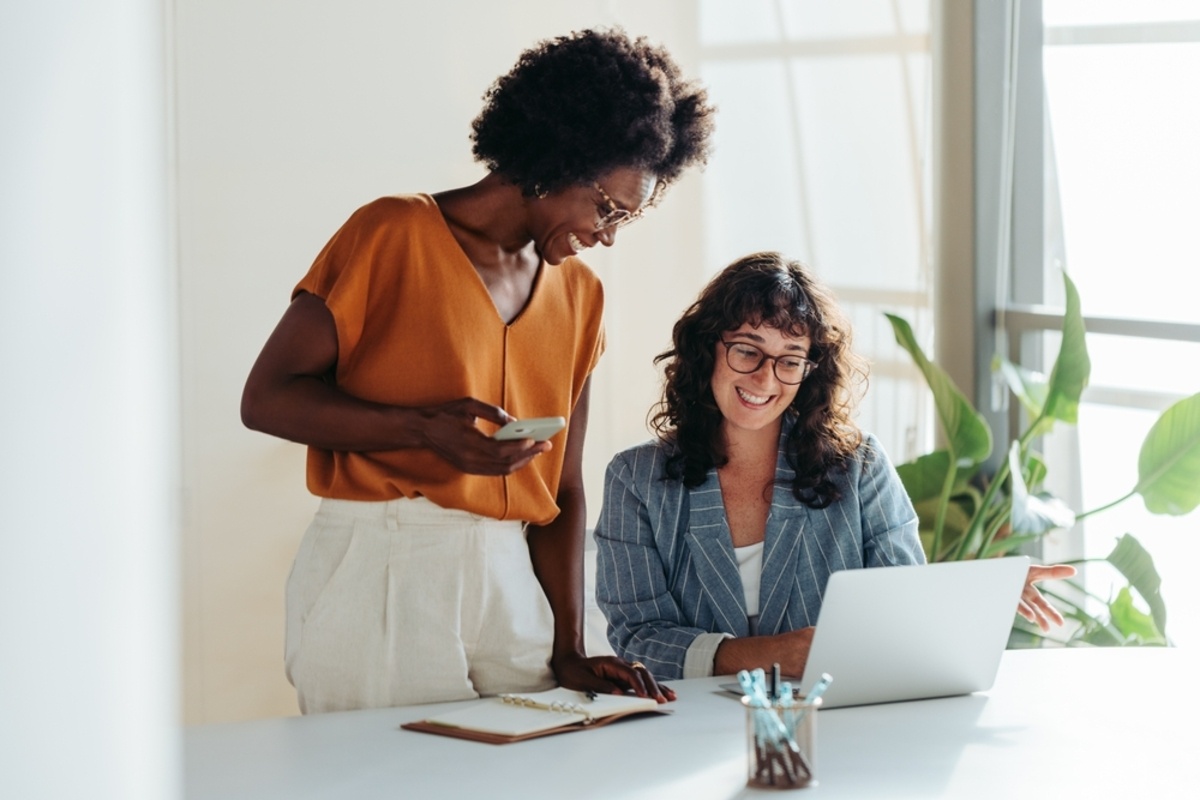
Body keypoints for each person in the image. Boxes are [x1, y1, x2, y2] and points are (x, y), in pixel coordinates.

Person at [240, 28, 716, 713]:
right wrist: (419, 430)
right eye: (607, 208)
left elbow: (563, 490)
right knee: (382, 780)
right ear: (559, 159)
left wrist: (570, 647)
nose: (608, 234)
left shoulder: (581, 296)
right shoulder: (392, 233)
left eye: (625, 220)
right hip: (385, 563)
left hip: (510, 576)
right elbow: (267, 398)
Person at [594, 252, 1075, 680]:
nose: (765, 377)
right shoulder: (635, 479)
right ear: (708, 350)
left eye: (790, 360)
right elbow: (639, 638)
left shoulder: (859, 466)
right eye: (747, 349)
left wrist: (978, 593)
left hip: (837, 719)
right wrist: (767, 653)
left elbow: (900, 604)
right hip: (688, 731)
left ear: (810, 371)